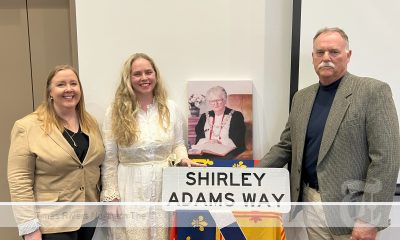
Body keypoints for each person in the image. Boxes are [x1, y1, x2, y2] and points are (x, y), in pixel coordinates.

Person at [258, 27, 400, 240]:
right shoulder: (301, 98)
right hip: (310, 201)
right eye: (320, 52)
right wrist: (246, 176)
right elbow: (287, 146)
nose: (326, 58)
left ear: (348, 55)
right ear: (313, 57)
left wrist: (370, 217)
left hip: (352, 212)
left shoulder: (373, 91)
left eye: (334, 52)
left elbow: (386, 159)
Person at [101, 53, 204, 240]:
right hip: (129, 189)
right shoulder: (114, 111)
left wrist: (183, 158)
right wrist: (111, 196)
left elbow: (179, 144)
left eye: (148, 72)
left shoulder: (171, 108)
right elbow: (109, 159)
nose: (144, 78)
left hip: (164, 188)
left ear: (155, 75)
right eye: (137, 74)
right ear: (128, 79)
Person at [8, 65, 105, 240]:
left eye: (73, 83)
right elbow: (19, 180)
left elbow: (97, 165)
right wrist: (28, 226)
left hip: (88, 217)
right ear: (50, 92)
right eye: (61, 84)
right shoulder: (27, 127)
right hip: (51, 223)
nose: (69, 89)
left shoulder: (91, 123)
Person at [193, 86, 246, 158]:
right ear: (209, 102)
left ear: (224, 100)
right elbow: (199, 138)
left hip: (227, 151)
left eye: (218, 100)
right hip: (207, 150)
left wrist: (219, 142)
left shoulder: (236, 116)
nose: (216, 103)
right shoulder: (204, 117)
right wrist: (207, 142)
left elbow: (238, 141)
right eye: (212, 101)